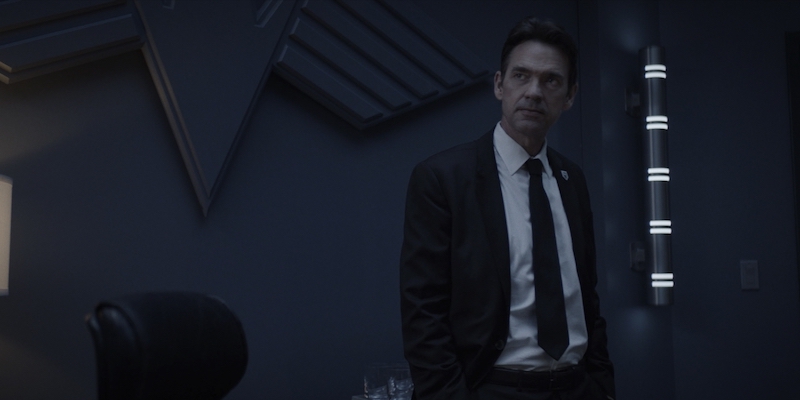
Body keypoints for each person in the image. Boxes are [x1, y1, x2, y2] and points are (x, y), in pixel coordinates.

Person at [399, 17, 615, 400]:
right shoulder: (443, 178)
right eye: (521, 76)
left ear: (570, 96)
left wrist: (602, 386)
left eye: (551, 80)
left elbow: (586, 297)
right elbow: (423, 312)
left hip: (578, 387)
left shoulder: (572, 180)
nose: (534, 92)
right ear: (500, 85)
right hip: (492, 388)